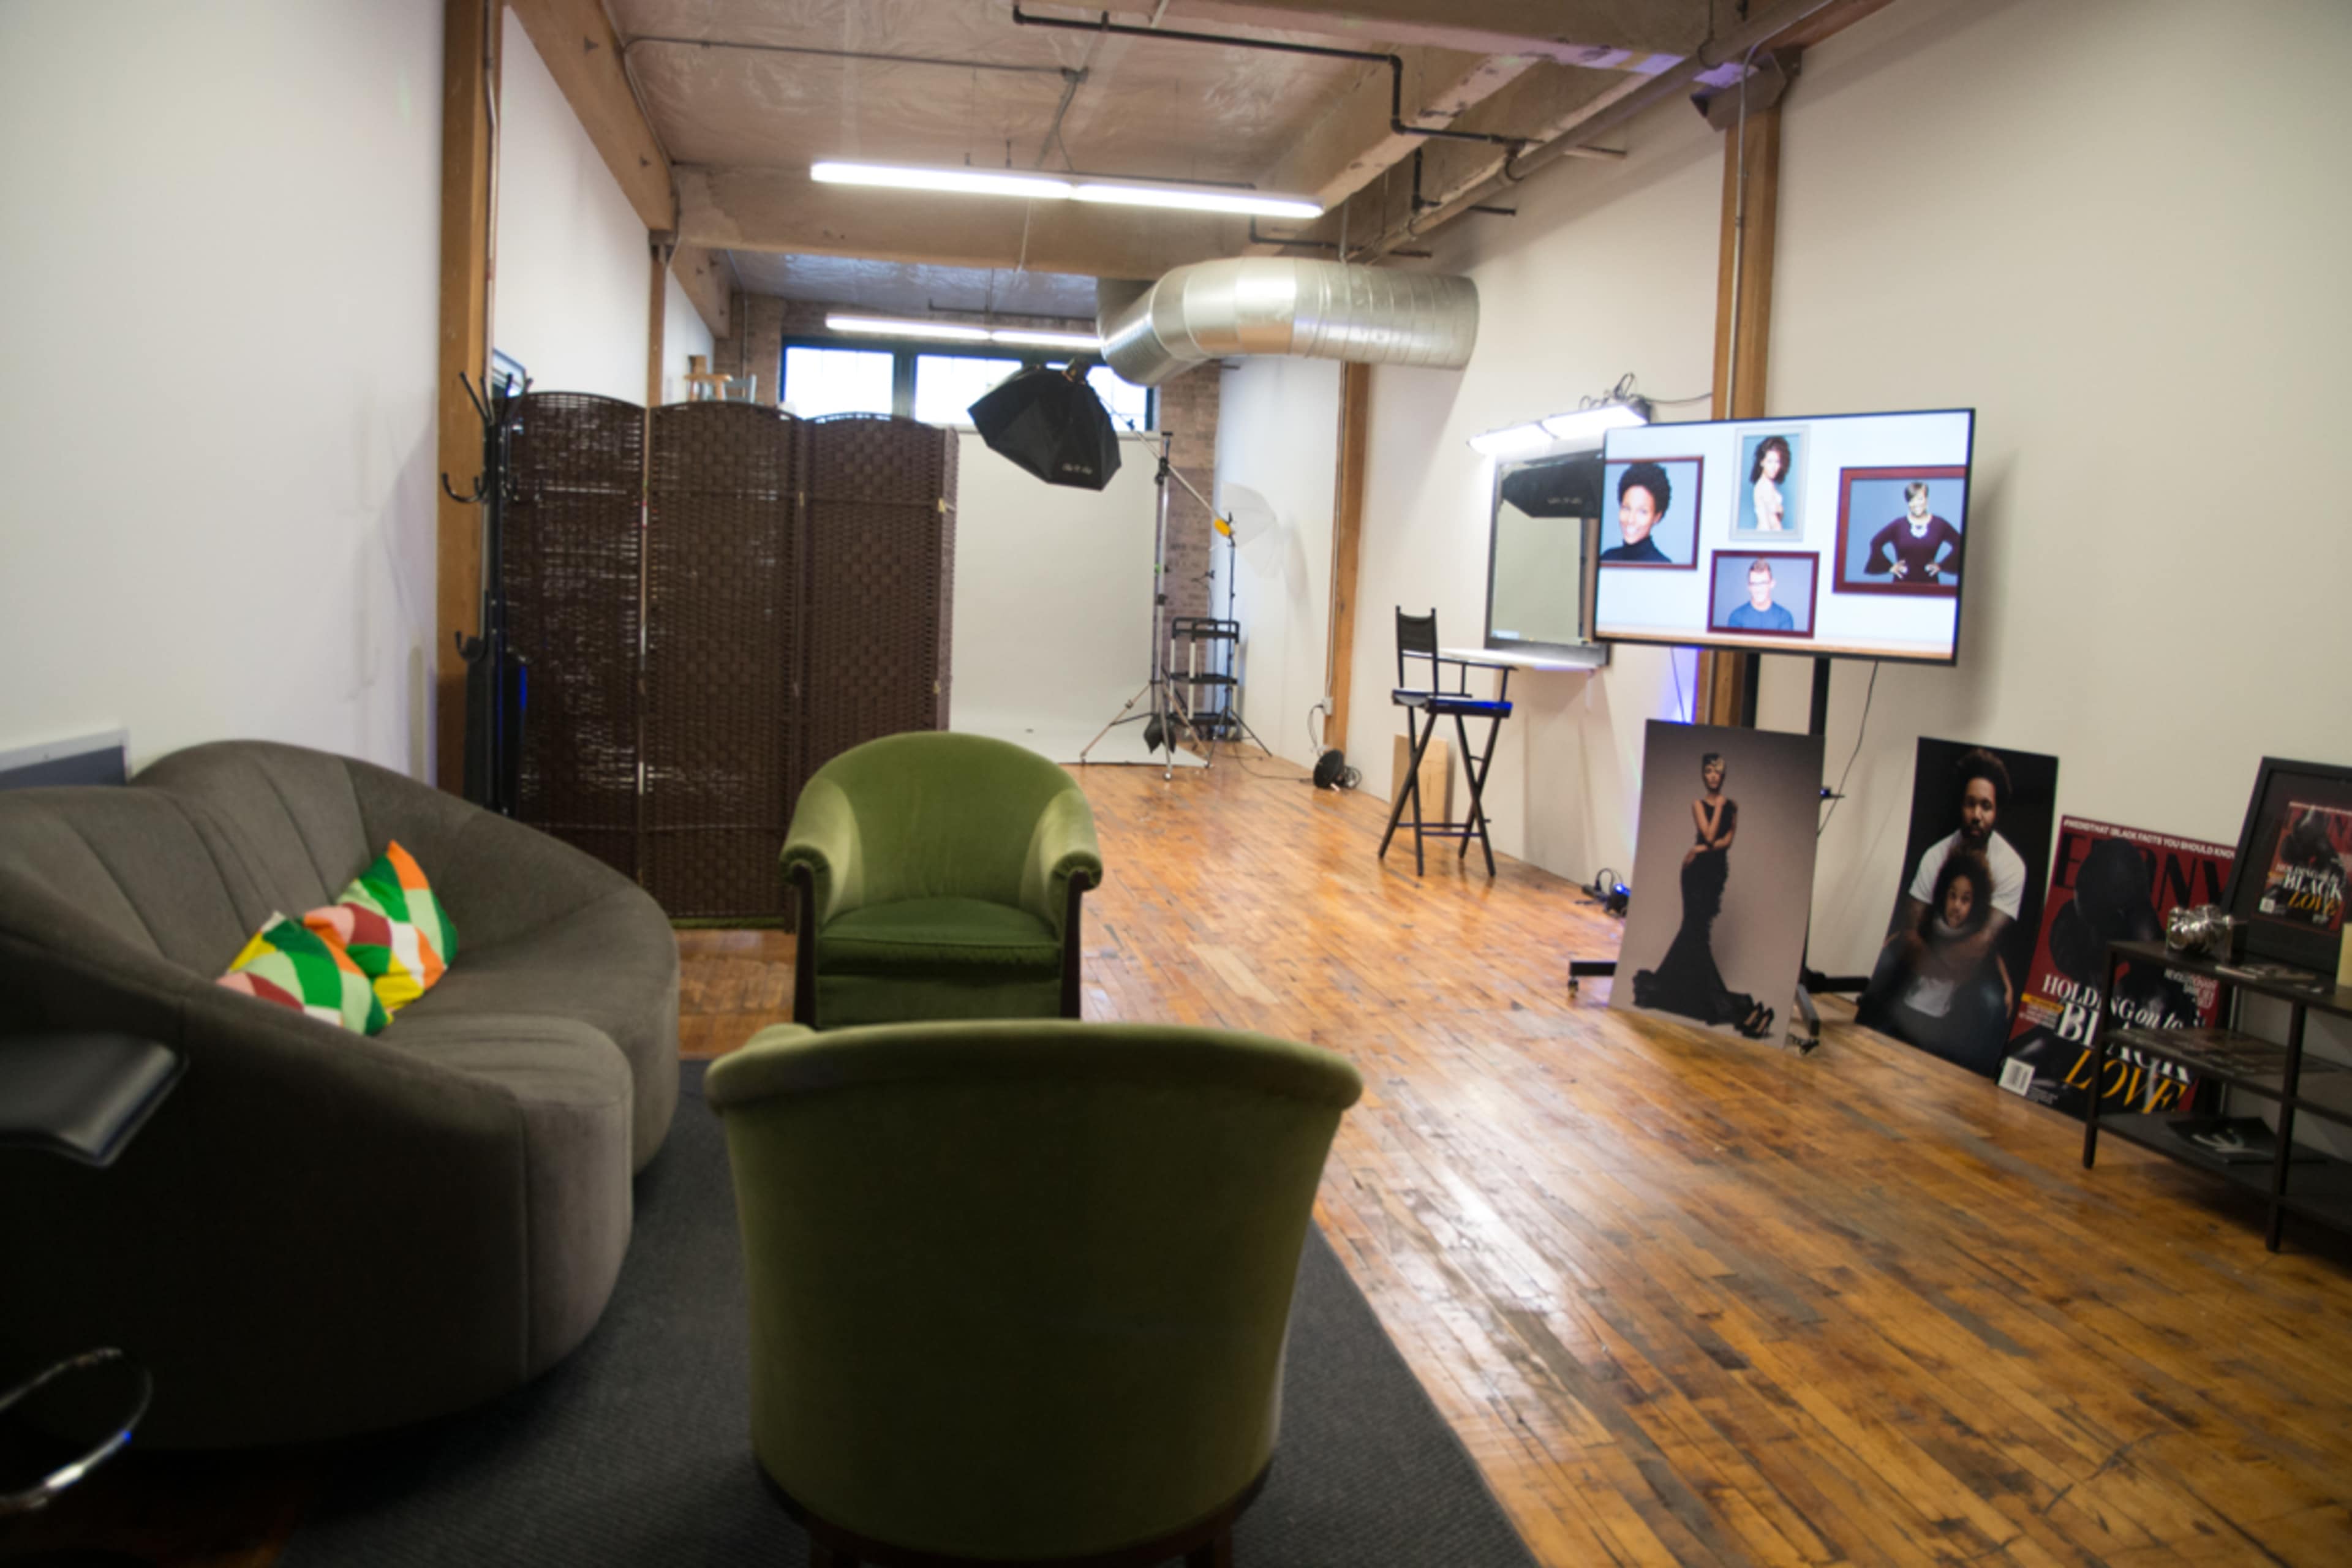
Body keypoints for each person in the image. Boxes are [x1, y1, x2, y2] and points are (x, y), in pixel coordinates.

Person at [1860, 747, 2027, 1073]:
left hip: (1976, 965)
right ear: (1960, 806)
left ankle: (1966, 1091)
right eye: (1970, 804)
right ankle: (1865, 1057)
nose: (1977, 815)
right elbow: (1911, 934)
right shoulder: (1935, 856)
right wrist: (1934, 960)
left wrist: (1950, 962)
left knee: (1993, 1003)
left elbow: (1981, 947)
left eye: (1986, 806)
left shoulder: (2011, 867)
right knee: (1885, 968)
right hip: (1927, 950)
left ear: (1997, 812)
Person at [1632, 752, 1774, 1040]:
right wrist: (1716, 815)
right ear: (1703, 774)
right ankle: (1726, 1006)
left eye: (1717, 771)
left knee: (1697, 932)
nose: (1713, 776)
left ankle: (1675, 988)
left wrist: (1702, 847)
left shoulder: (1732, 806)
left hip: (1715, 872)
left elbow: (1726, 841)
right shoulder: (1699, 805)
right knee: (1695, 930)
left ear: (1723, 776)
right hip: (1695, 873)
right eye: (1708, 770)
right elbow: (1709, 835)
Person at [1892, 849, 2013, 1027]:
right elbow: (1903, 936)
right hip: (1907, 1007)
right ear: (1944, 895)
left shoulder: (1972, 936)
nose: (1956, 906)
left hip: (1941, 1019)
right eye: (1953, 896)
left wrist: (2008, 987)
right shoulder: (1931, 923)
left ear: (1974, 904)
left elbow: (1993, 955)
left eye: (1965, 900)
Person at [1864, 481, 1962, 582]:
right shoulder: (1898, 525)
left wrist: (1942, 566)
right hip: (1902, 584)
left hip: (1930, 584)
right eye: (1912, 500)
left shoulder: (1940, 524)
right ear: (1908, 502)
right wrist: (1890, 567)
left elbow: (1960, 544)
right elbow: (1875, 543)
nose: (1916, 504)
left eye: (1920, 499)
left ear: (1927, 500)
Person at [1600, 461, 1676, 564]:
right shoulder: (1607, 558)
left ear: (1657, 517)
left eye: (1642, 512)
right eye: (1626, 508)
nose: (1631, 520)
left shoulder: (1663, 565)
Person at [1724, 559, 1795, 631]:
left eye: (1763, 583)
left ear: (1772, 584)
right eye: (1754, 584)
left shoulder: (1784, 617)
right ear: (1749, 587)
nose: (1758, 589)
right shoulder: (1736, 617)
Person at [1748, 435, 1790, 531]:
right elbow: (1765, 523)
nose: (1774, 467)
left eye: (1777, 462)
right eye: (1770, 462)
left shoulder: (1769, 484)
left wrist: (1780, 510)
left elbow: (1775, 517)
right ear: (1762, 462)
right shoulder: (1763, 486)